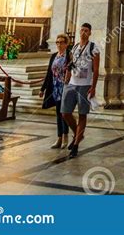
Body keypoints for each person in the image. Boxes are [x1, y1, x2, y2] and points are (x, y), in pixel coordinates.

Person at [61, 23, 100, 159]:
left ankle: (76, 145)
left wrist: (93, 87)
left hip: (85, 85)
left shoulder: (93, 48)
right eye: (82, 30)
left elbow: (96, 70)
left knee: (82, 114)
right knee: (65, 113)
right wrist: (66, 81)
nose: (83, 32)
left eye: (86, 30)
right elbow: (71, 66)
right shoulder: (75, 47)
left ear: (90, 33)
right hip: (72, 84)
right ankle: (79, 133)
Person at [40, 33, 71, 149]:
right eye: (57, 42)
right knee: (58, 113)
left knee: (65, 113)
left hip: (65, 87)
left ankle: (66, 137)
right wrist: (42, 89)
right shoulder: (54, 56)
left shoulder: (69, 55)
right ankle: (59, 138)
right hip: (55, 87)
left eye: (62, 42)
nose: (59, 44)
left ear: (66, 44)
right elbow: (49, 73)